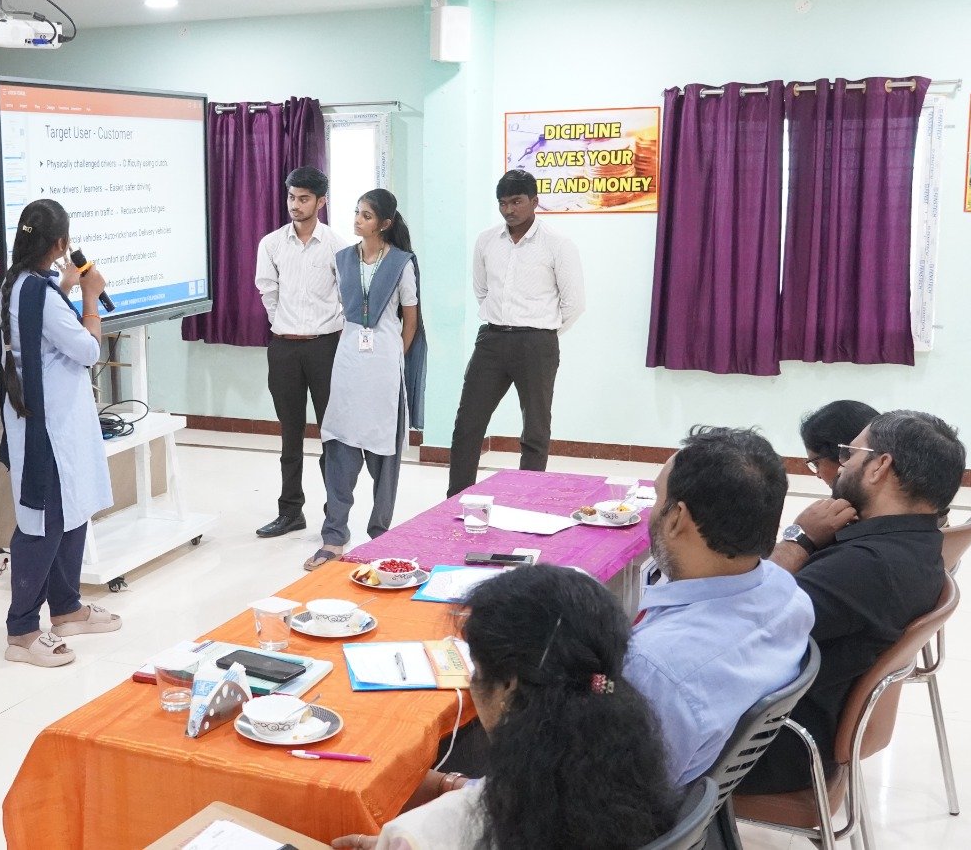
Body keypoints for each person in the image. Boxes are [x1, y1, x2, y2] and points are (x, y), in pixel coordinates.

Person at [333, 565, 676, 850]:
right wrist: (448, 785)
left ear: (508, 688)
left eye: (476, 668)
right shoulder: (635, 780)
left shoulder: (426, 833)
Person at [741, 410, 964, 793]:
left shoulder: (865, 567)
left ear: (879, 467)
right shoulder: (918, 543)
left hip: (766, 745)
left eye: (850, 453)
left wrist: (798, 539)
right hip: (800, 724)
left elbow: (739, 620)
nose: (841, 465)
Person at [626, 427, 815, 788]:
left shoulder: (654, 667)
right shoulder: (788, 594)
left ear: (677, 518)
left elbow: (616, 794)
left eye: (657, 496)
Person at [0, 199, 121, 668]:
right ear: (62, 243)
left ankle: (66, 608)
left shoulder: (19, 283)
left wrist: (66, 285)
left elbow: (43, 320)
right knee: (43, 523)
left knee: (72, 511)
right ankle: (22, 632)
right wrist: (90, 298)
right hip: (46, 426)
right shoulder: (41, 294)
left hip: (59, 421)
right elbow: (86, 350)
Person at [304, 189, 426, 571]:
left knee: (383, 452)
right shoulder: (342, 259)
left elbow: (410, 321)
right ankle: (334, 536)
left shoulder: (401, 264)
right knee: (339, 443)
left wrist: (393, 357)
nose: (358, 220)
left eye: (367, 215)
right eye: (357, 212)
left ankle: (380, 537)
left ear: (384, 224)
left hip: (384, 365)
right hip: (349, 361)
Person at [446, 169, 586, 497]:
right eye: (503, 203)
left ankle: (527, 500)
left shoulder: (557, 243)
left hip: (537, 343)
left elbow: (574, 303)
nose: (509, 209)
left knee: (535, 430)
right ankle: (456, 500)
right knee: (467, 424)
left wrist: (542, 331)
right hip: (492, 341)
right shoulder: (486, 241)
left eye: (516, 201)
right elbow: (482, 290)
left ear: (534, 201)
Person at [254, 166, 344, 538]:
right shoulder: (271, 243)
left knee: (331, 435)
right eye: (292, 197)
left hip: (326, 347)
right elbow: (268, 291)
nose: (295, 204)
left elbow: (346, 294)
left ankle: (335, 516)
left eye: (304, 198)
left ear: (321, 202)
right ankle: (290, 511)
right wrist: (284, 324)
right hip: (284, 348)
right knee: (289, 435)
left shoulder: (338, 244)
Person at [778, 400, 880, 556]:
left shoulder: (842, 536)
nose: (818, 475)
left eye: (816, 463)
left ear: (845, 456)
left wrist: (801, 537)